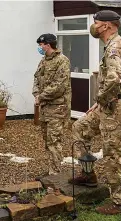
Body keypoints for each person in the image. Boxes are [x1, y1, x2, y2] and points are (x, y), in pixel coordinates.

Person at [69, 10, 121, 215]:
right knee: (79, 127)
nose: (94, 27)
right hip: (107, 105)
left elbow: (116, 78)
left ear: (106, 26)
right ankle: (88, 174)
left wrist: (100, 99)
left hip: (115, 109)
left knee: (112, 153)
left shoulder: (115, 46)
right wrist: (100, 103)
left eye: (96, 23)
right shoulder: (110, 45)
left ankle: (118, 201)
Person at [32, 33, 71, 175]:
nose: (39, 48)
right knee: (47, 141)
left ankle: (55, 174)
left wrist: (41, 96)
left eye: (41, 45)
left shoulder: (62, 61)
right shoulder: (43, 61)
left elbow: (59, 86)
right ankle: (51, 170)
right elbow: (36, 78)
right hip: (45, 109)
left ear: (48, 45)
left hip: (57, 109)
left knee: (54, 142)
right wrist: (36, 94)